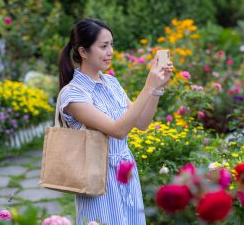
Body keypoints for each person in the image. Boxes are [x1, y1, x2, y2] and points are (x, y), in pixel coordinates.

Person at [58, 18, 173, 225]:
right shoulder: (73, 94)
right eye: (103, 46)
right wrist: (148, 86)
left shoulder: (111, 82)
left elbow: (142, 123)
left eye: (111, 44)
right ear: (83, 51)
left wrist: (157, 88)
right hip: (98, 178)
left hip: (126, 172)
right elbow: (117, 130)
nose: (110, 51)